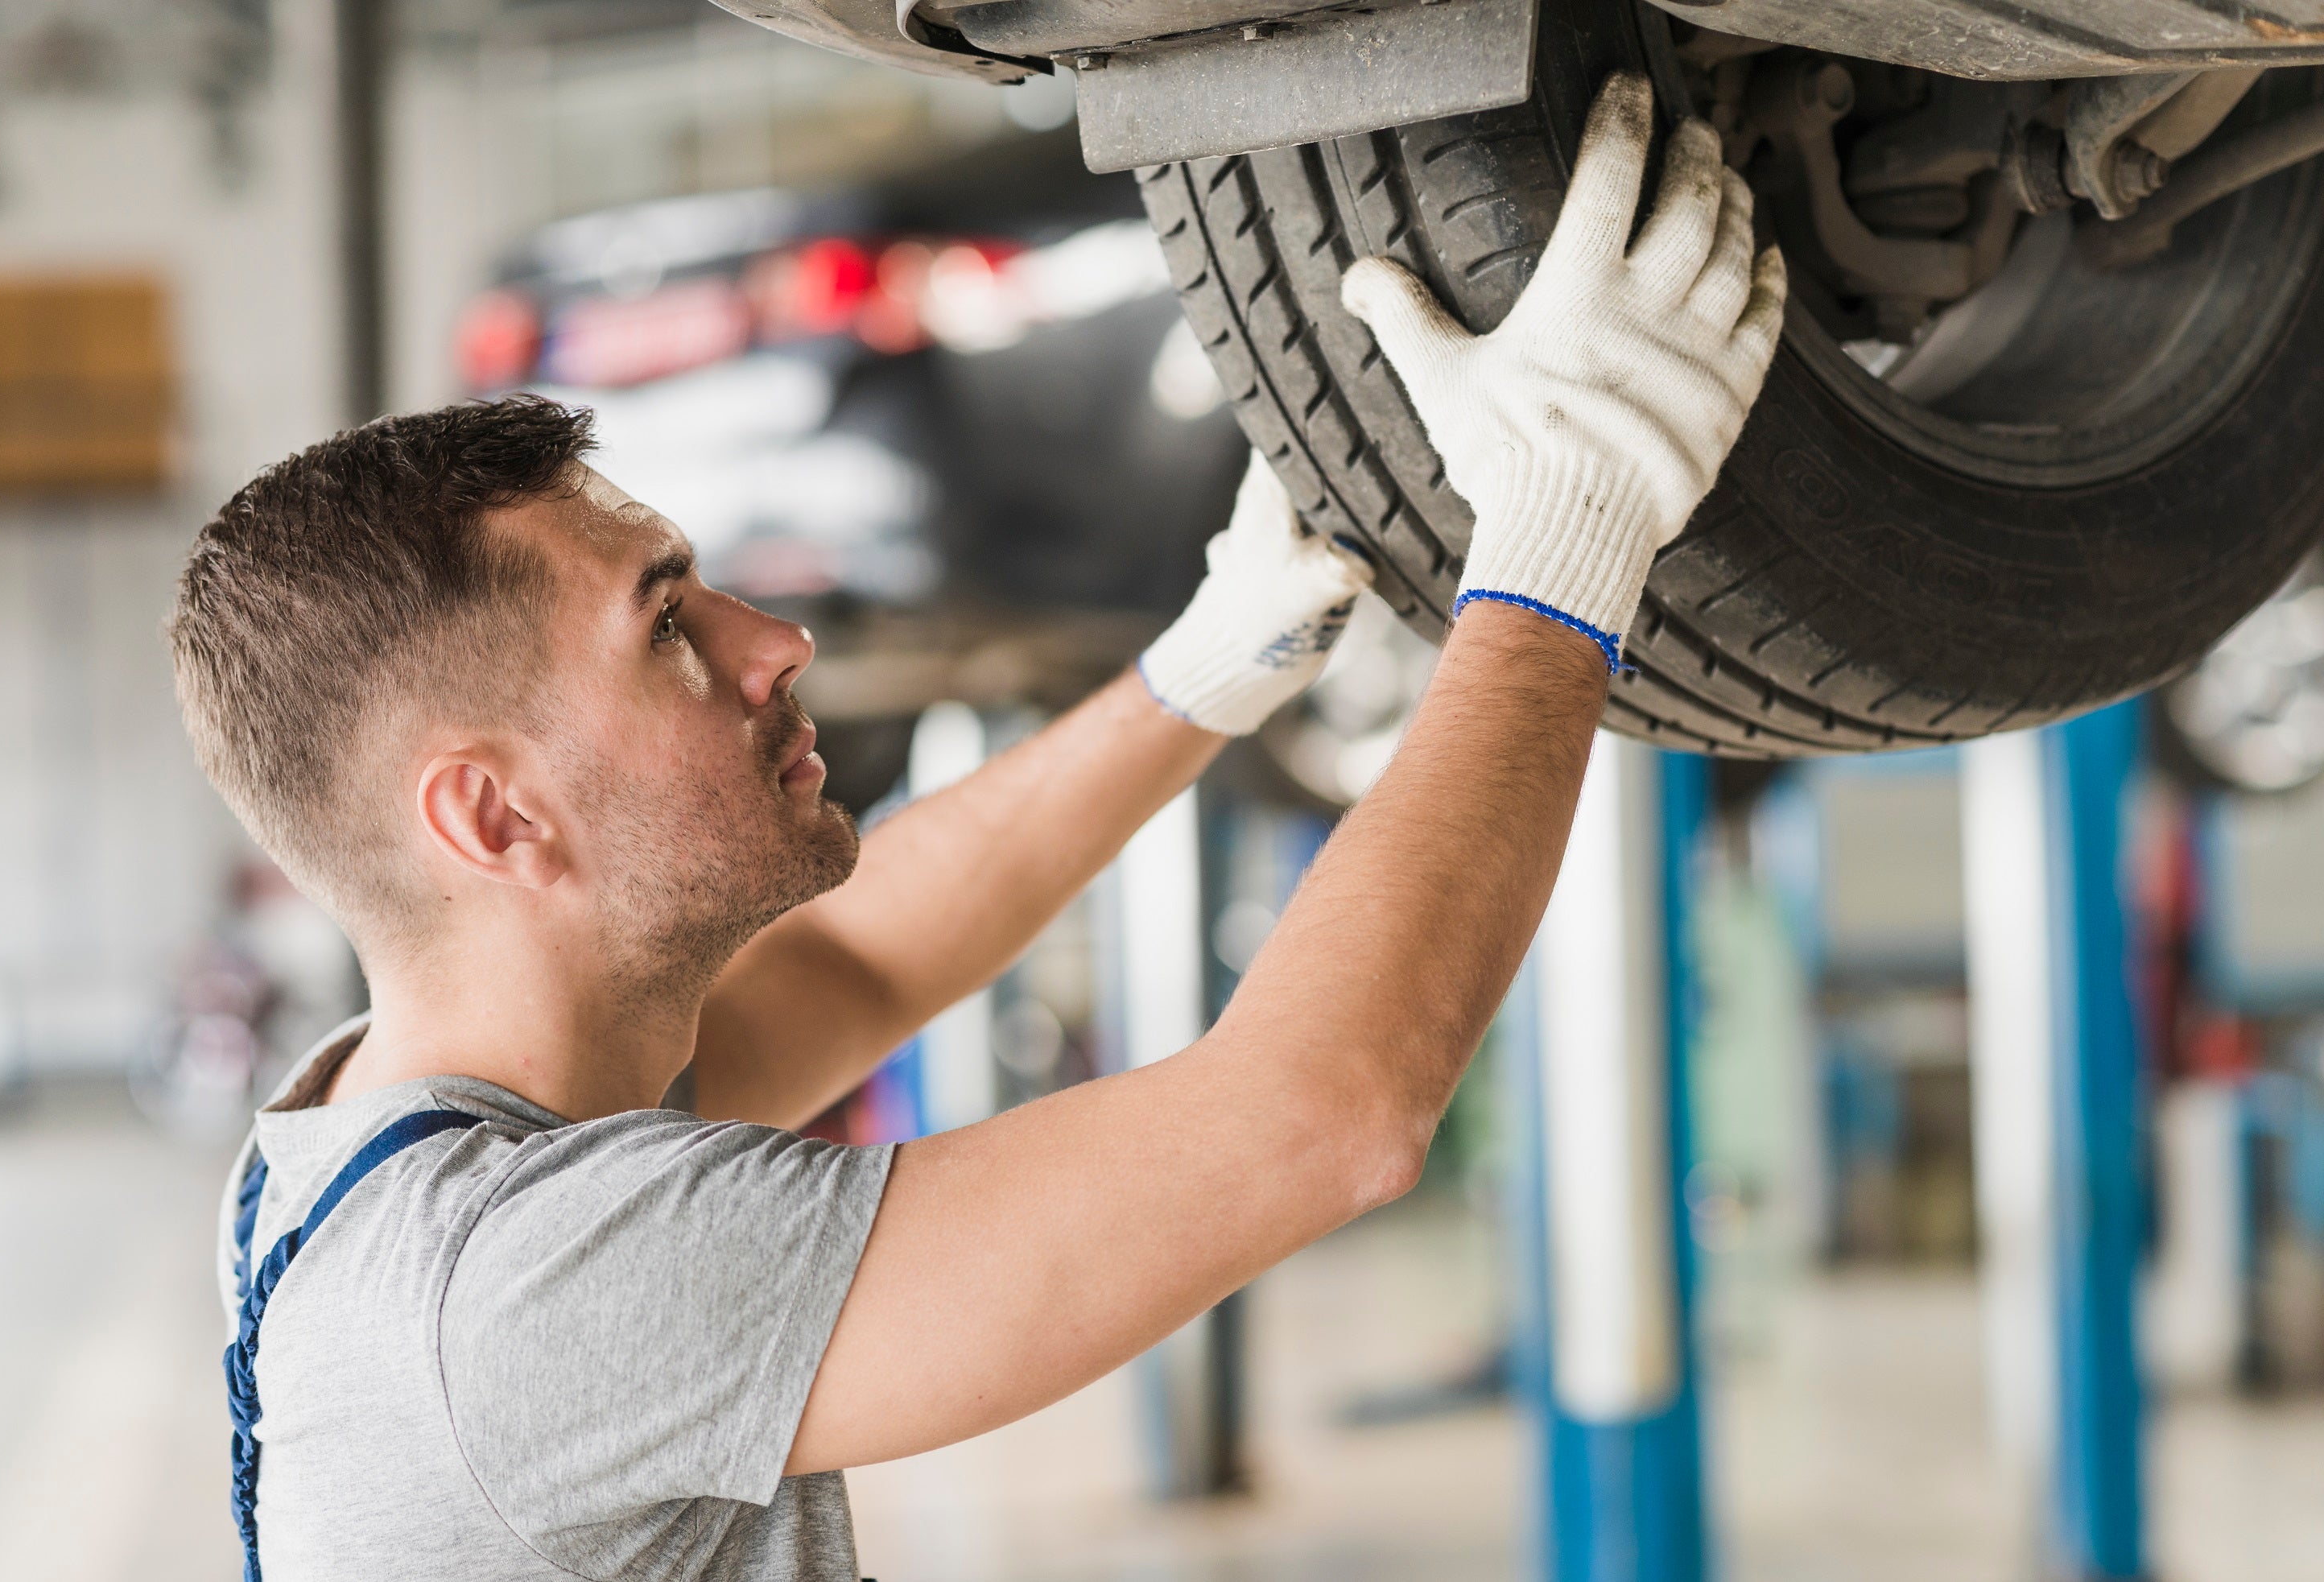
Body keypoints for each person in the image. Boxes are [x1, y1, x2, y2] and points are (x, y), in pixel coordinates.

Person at [172, 73, 1781, 1582]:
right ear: (492, 811)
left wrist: (1205, 670)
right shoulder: (523, 1297)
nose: (774, 641)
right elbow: (1320, 1114)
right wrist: (1567, 532)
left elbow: (861, 960)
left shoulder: (366, 1143)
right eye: (665, 627)